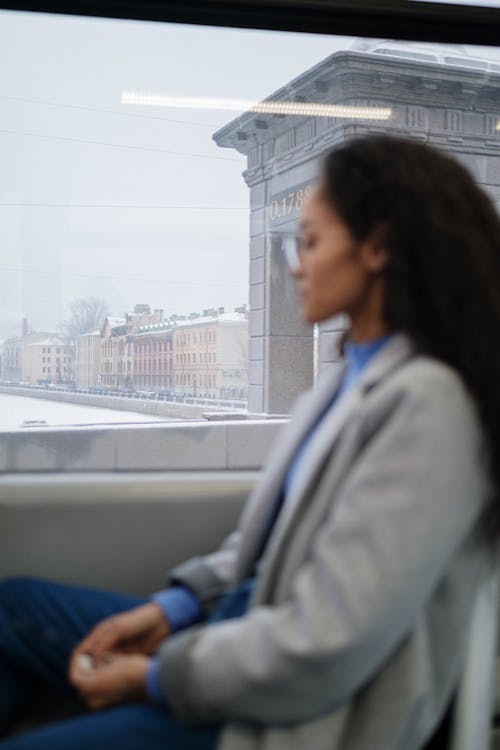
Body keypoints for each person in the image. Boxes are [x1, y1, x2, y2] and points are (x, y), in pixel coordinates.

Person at [0, 134, 499, 750]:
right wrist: (171, 611)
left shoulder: (432, 405)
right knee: (10, 606)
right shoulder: (346, 379)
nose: (295, 263)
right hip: (243, 629)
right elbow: (260, 545)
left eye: (311, 242)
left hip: (298, 713)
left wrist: (157, 678)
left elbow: (328, 641)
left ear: (379, 247)